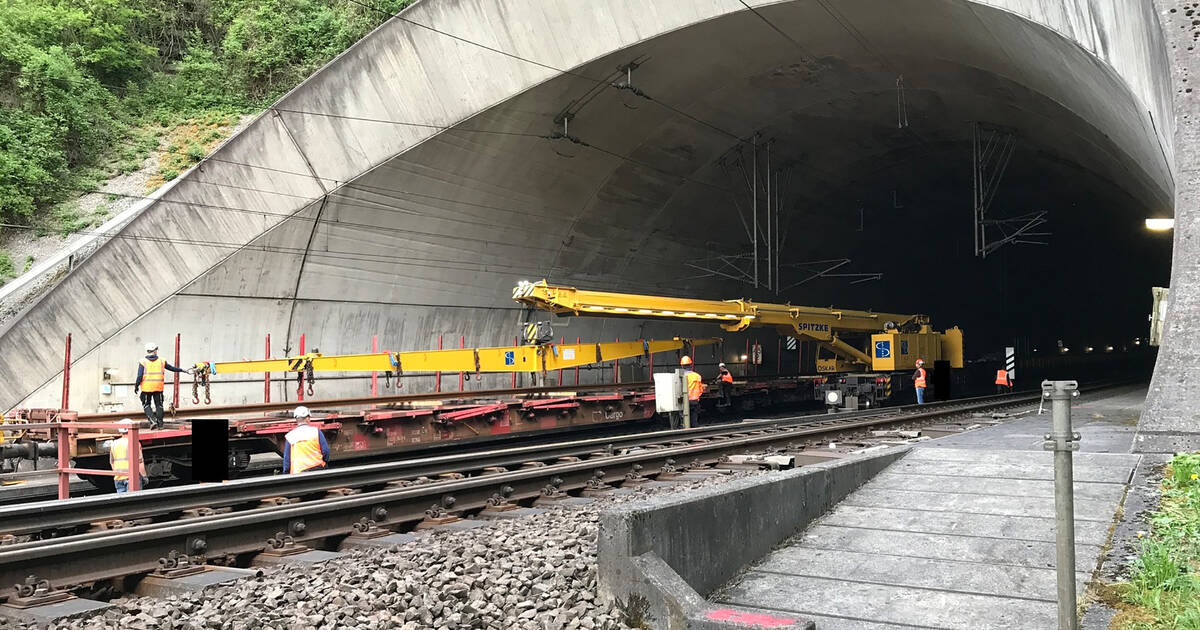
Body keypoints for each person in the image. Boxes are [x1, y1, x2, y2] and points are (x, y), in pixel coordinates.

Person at [135, 342, 190, 429]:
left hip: (146, 388)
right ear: (155, 351)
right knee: (159, 405)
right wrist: (182, 370)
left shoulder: (143, 362)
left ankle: (153, 421)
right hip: (158, 387)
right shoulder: (161, 361)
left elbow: (139, 376)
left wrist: (136, 386)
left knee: (146, 405)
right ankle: (160, 424)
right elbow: (172, 368)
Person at [282, 406, 331, 474]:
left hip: (298, 473)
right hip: (318, 469)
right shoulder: (316, 431)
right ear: (307, 418)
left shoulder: (290, 436)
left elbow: (287, 462)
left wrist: (286, 475)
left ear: (296, 419)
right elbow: (326, 451)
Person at [110, 419, 147, 493]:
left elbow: (112, 462)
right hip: (131, 478)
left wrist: (118, 474)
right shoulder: (135, 443)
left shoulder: (114, 444)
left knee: (122, 502)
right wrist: (144, 476)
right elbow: (140, 462)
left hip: (118, 478)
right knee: (134, 500)